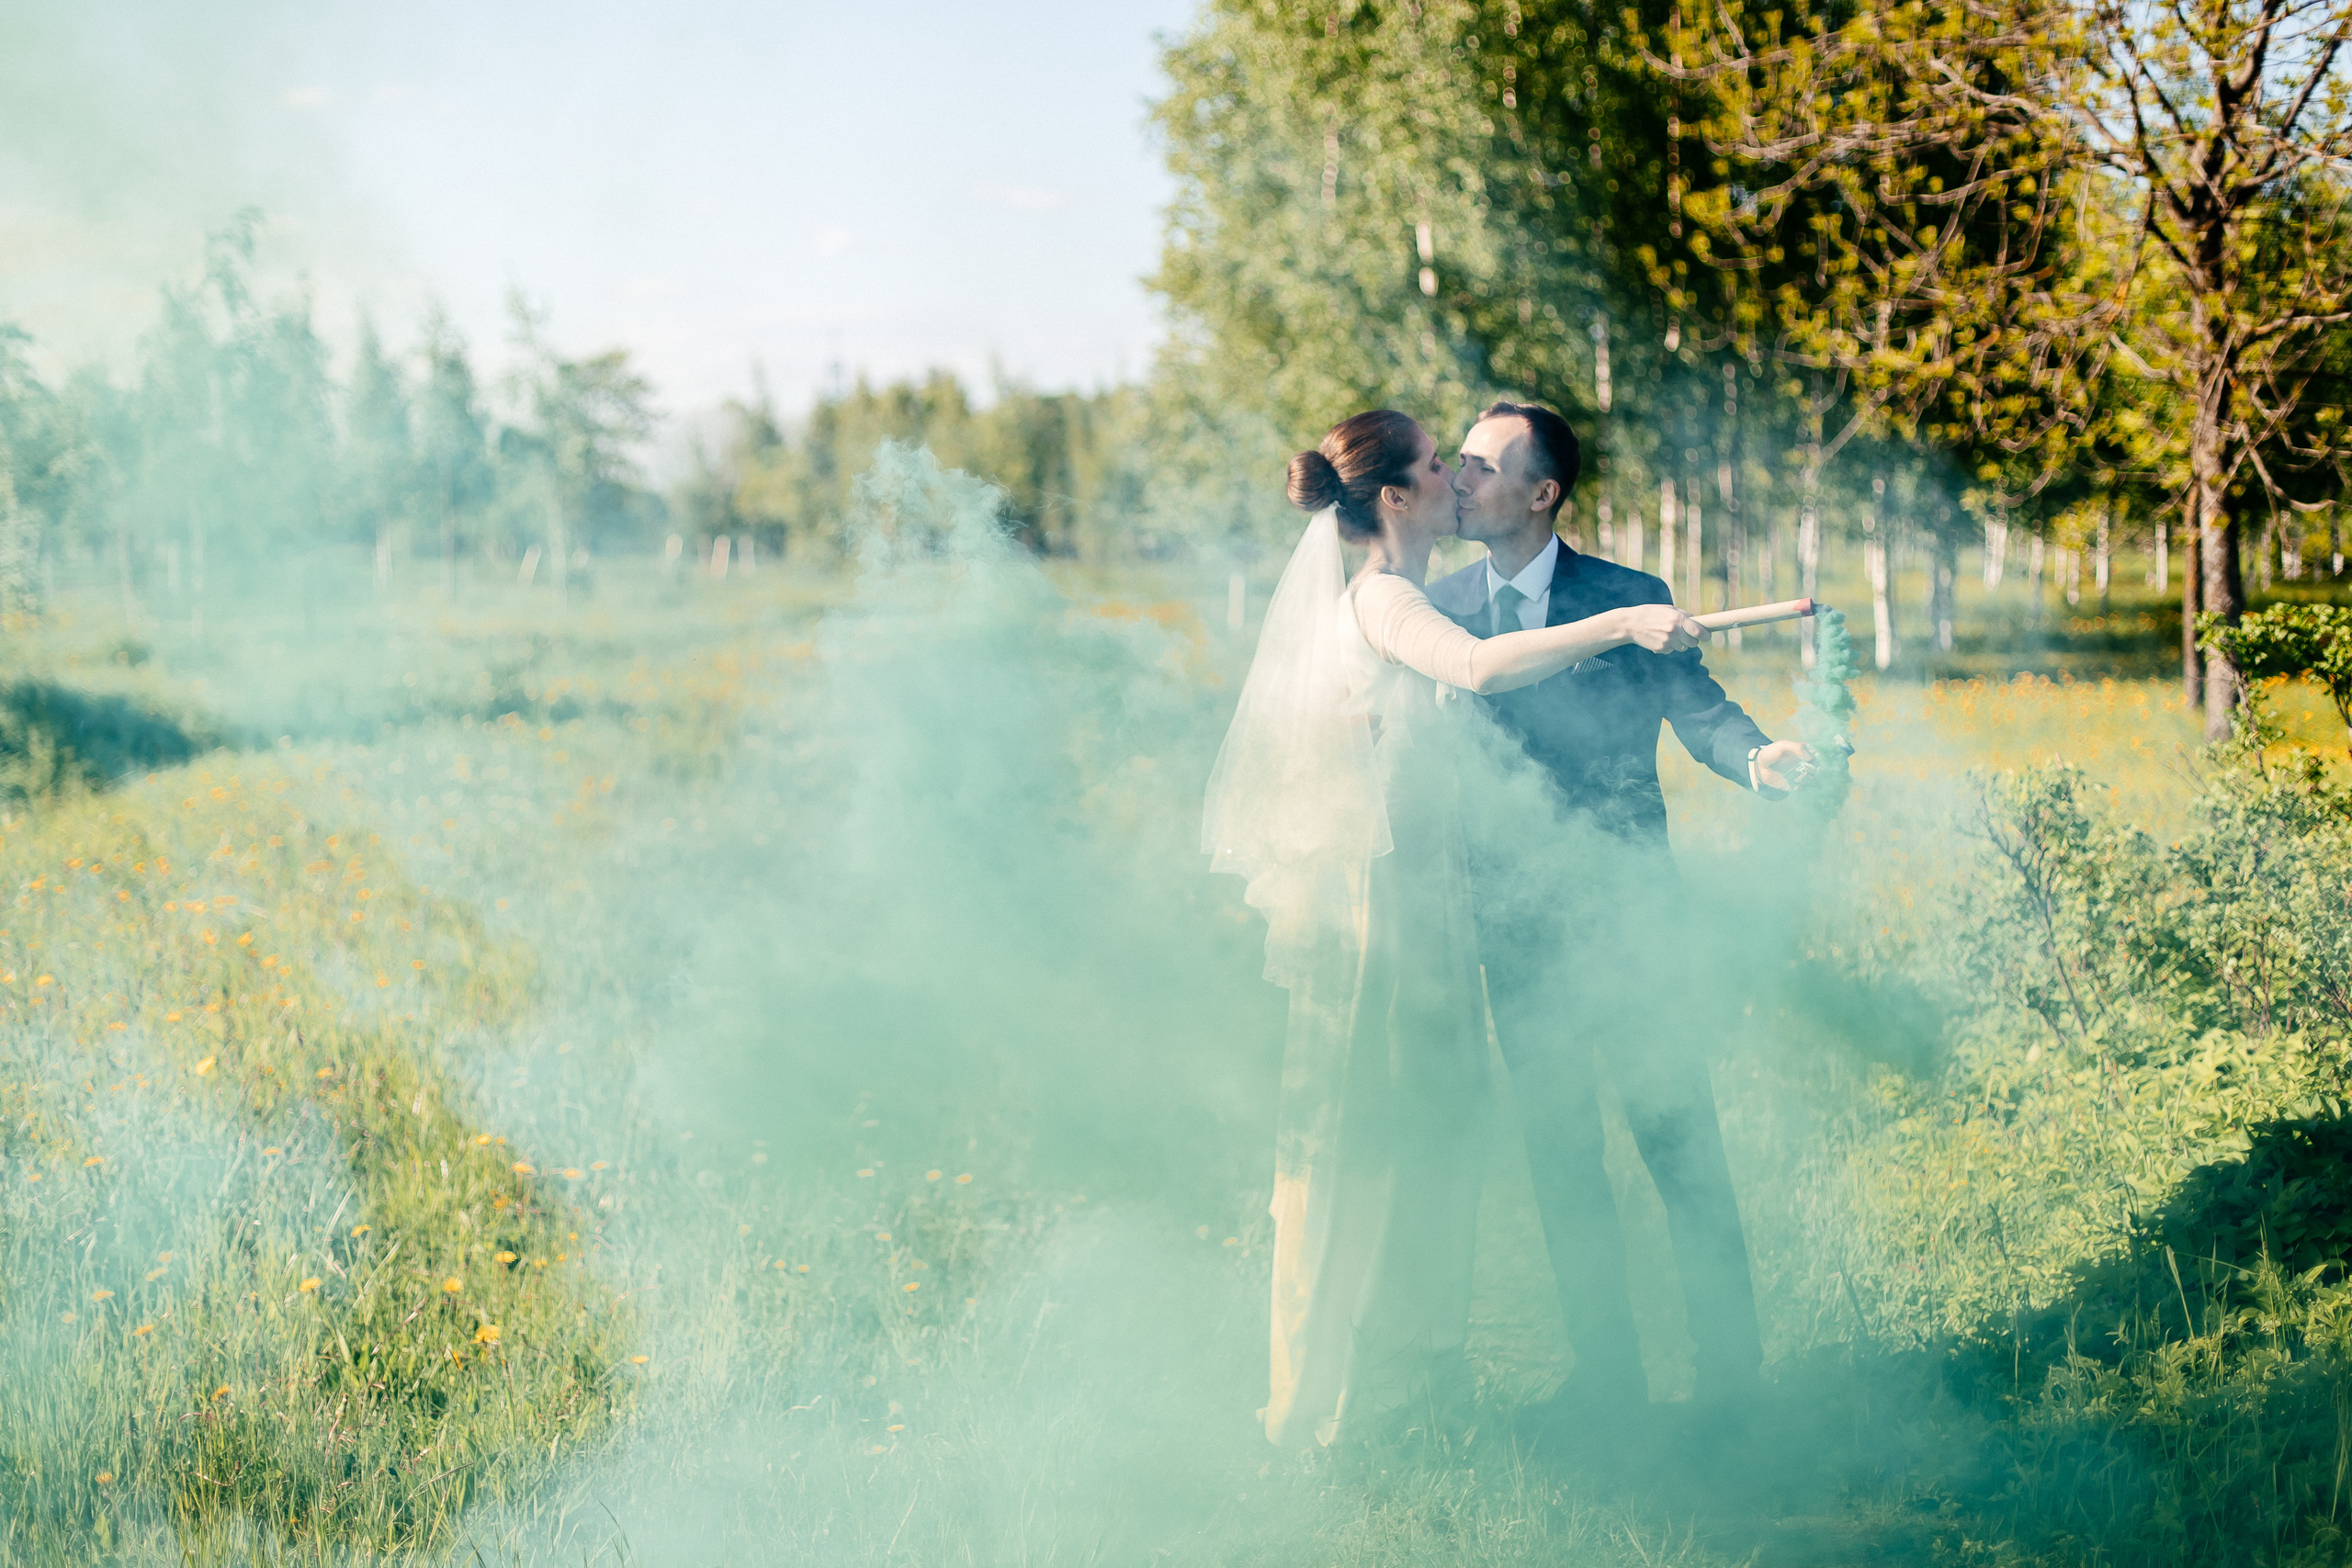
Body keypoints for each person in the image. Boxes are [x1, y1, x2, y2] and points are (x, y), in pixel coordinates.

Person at [1202, 409, 1709, 1448]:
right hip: (1385, 913)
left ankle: (1413, 1379)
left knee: (1429, 1136)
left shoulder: (1403, 597)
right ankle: (1342, 1400)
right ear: (1394, 497)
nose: (1455, 477)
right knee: (1370, 1139)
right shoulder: (1388, 598)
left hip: (1428, 900)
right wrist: (1620, 624)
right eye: (1438, 465)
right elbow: (1476, 671)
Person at [1429, 400, 1812, 1427]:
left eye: (1478, 465)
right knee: (1561, 1156)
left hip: (1636, 921)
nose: (1456, 479)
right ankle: (1607, 1382)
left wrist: (1757, 757)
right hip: (1512, 932)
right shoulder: (1442, 605)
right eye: (1456, 463)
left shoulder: (1628, 596)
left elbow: (1700, 713)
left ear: (1540, 492)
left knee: (1679, 1140)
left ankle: (1734, 1378)